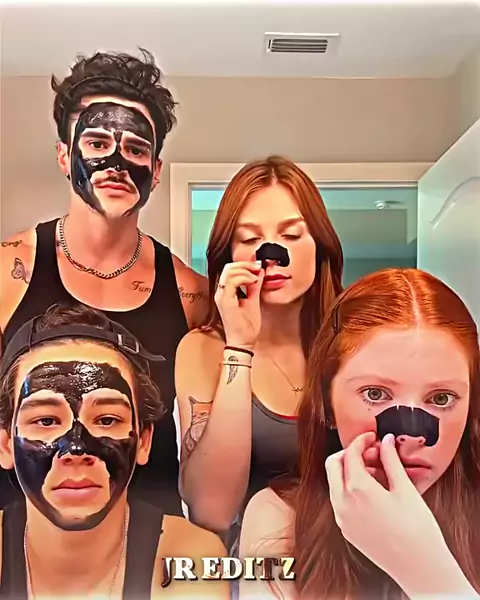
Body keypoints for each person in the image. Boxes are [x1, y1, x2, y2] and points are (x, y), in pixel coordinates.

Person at [0, 49, 208, 516]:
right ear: (64, 155)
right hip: (23, 537)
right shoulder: (8, 274)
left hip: (150, 537)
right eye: (96, 143)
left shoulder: (191, 295)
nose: (116, 162)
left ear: (155, 171)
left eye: (135, 149)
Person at [239, 267, 480, 600]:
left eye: (441, 399)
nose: (410, 435)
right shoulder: (278, 521)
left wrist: (427, 570)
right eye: (375, 394)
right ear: (327, 404)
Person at [0, 303, 228, 599]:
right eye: (46, 421)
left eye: (107, 420)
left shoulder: (189, 563)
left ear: (143, 440)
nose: (76, 448)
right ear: (5, 444)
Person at [175, 156, 344, 544]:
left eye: (292, 234)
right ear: (229, 255)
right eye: (250, 240)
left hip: (349, 563)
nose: (272, 253)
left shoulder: (354, 341)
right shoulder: (203, 349)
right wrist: (240, 345)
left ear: (319, 245)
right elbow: (212, 511)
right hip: (256, 563)